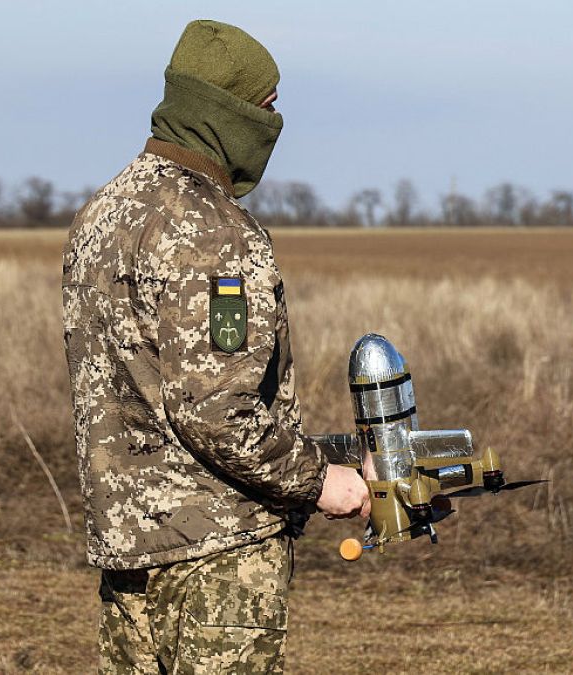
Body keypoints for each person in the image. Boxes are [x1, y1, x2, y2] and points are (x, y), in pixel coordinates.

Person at [62, 20, 370, 673]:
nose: (275, 124)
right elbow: (217, 412)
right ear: (227, 110)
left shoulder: (102, 215)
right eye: (268, 107)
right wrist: (322, 480)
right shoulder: (216, 233)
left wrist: (343, 451)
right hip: (217, 560)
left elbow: (158, 401)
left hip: (128, 555)